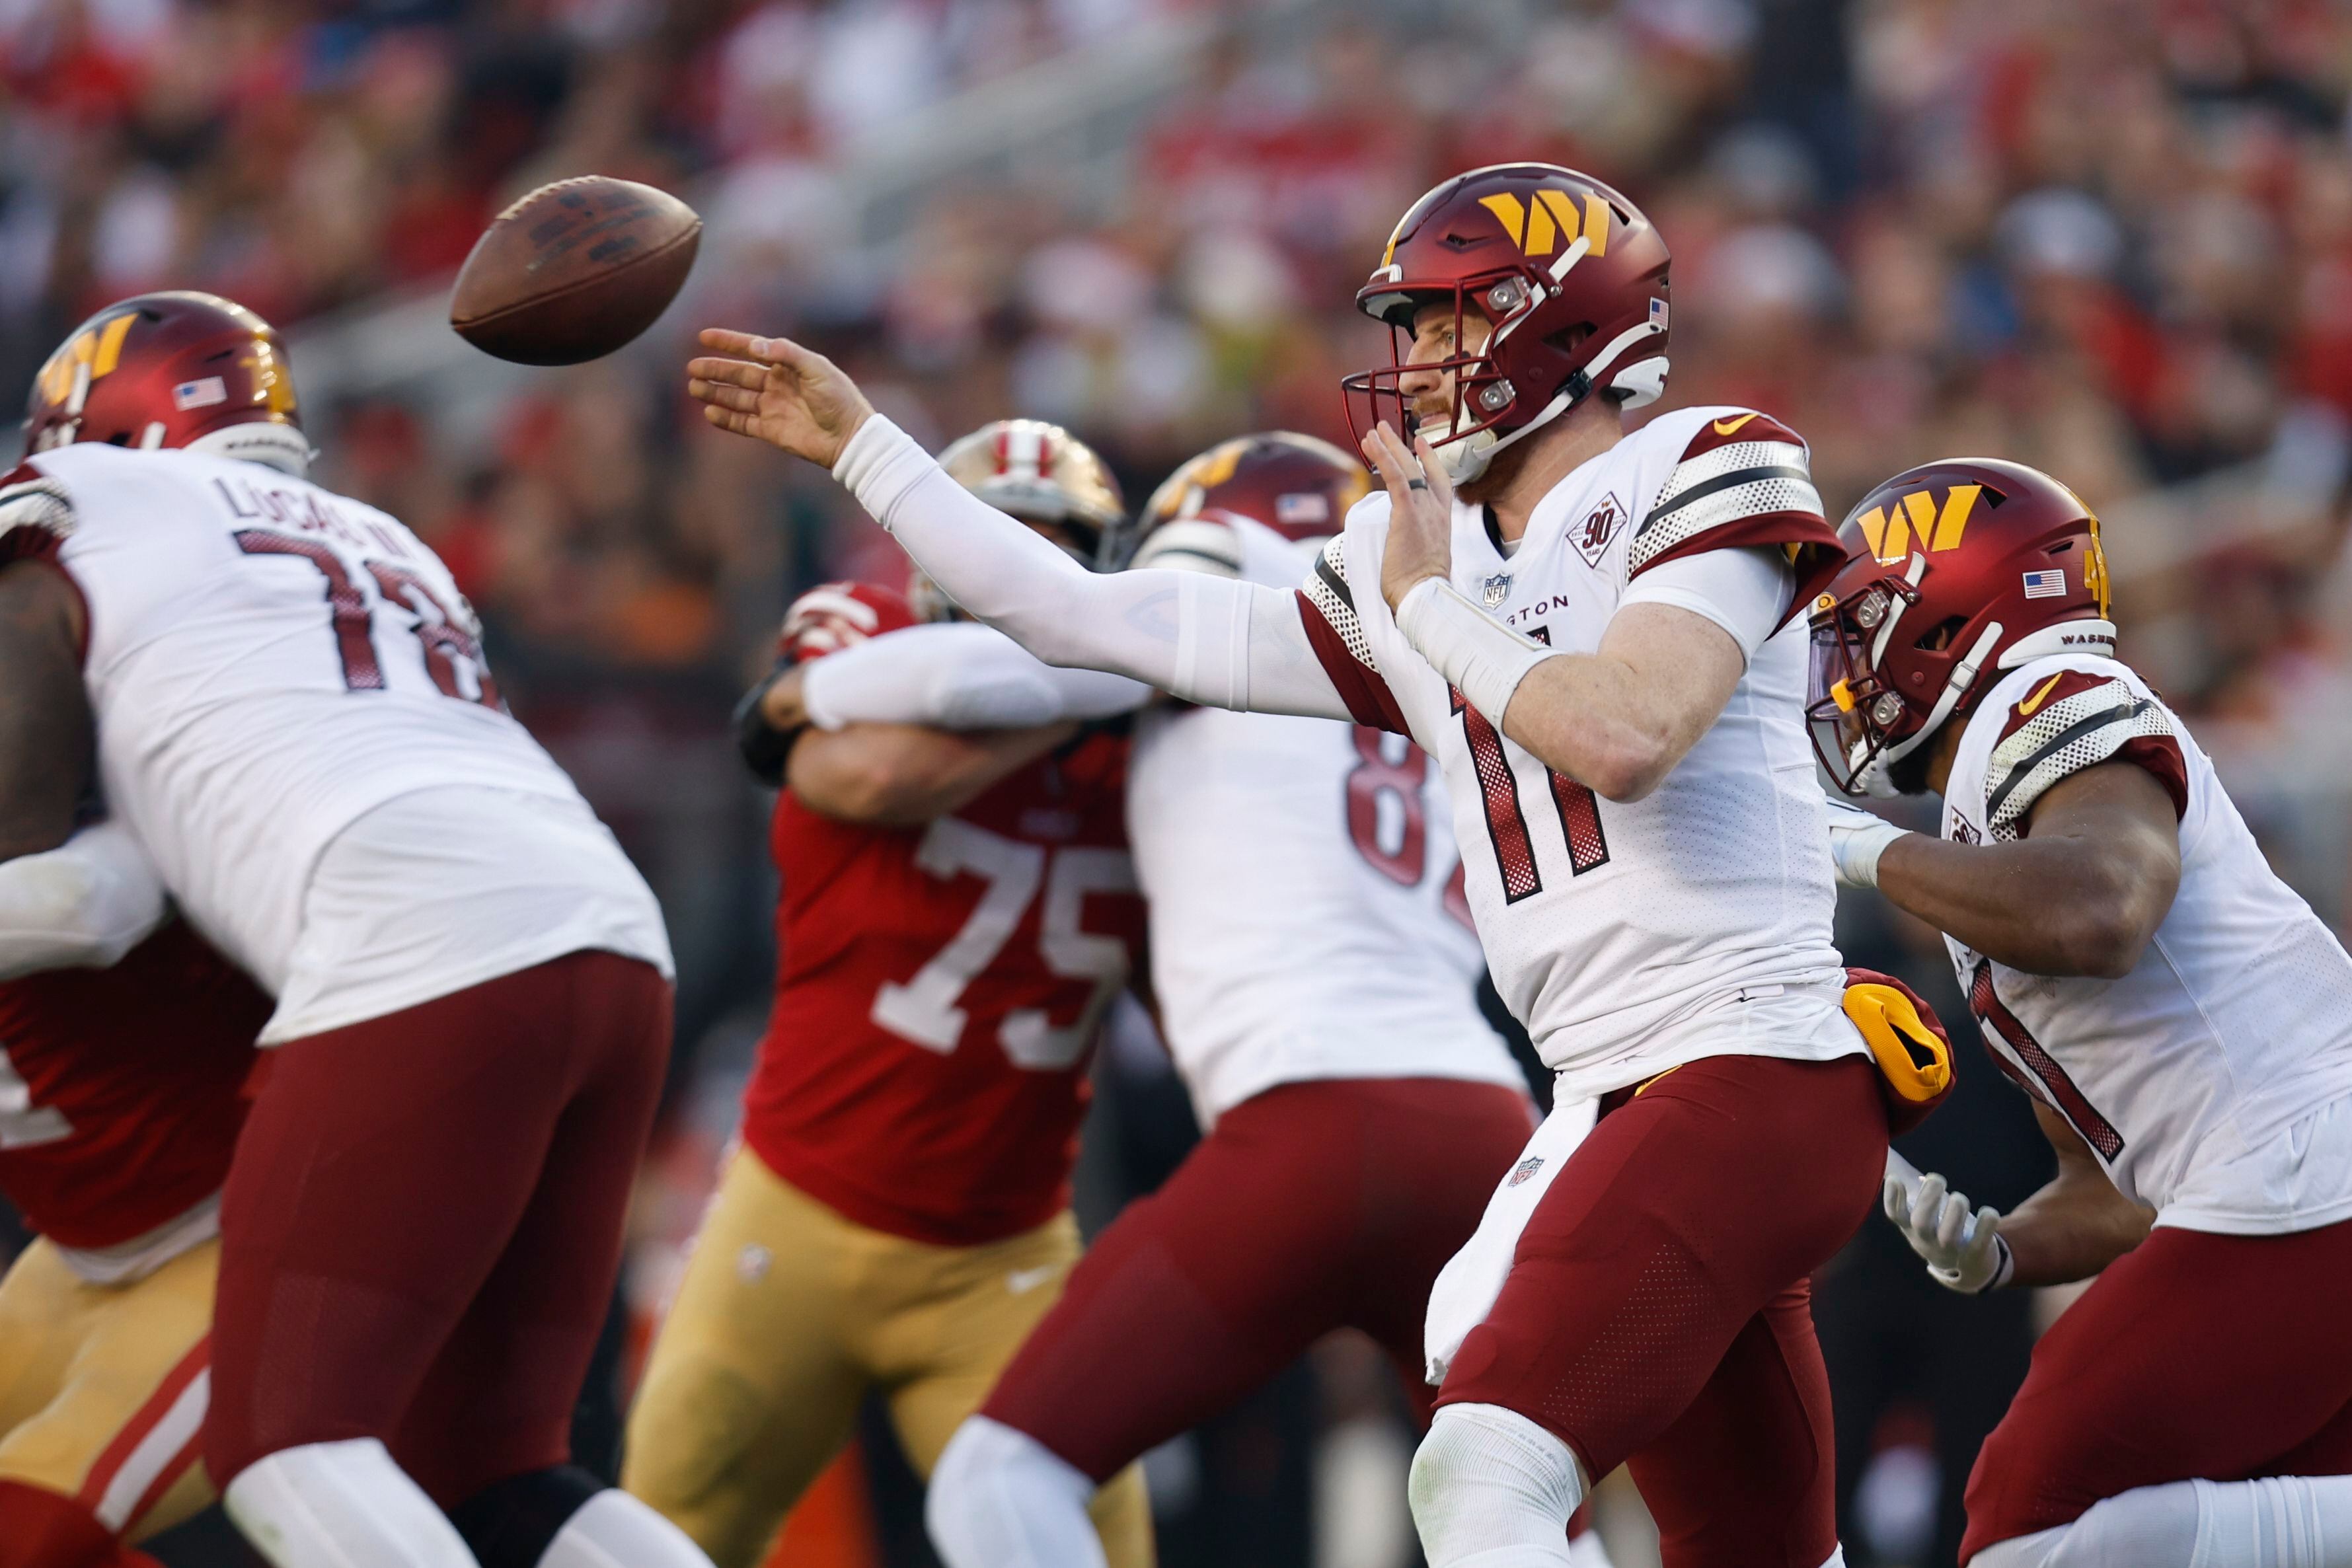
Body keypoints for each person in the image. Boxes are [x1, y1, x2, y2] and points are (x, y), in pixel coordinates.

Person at [687, 163, 1944, 1568]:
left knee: (1478, 1472)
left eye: (1441, 324)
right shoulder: (1421, 554)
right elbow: (1093, 620)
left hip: (1744, 1057)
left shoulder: (1701, 458)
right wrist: (869, 447)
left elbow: (1626, 732)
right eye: (1402, 328)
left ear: (1562, 325)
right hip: (1602, 1093)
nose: (1408, 364)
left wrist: (1422, 605)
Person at [769, 431, 1610, 1568]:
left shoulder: (1225, 618)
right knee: (1517, 1517)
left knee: (994, 1476)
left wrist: (806, 688)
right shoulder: (1416, 643)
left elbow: (1013, 661)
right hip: (1484, 1132)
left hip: (1300, 1128)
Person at [0, 291, 697, 1568]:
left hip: (409, 928)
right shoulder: (387, 537)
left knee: (288, 1445)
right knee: (500, 1471)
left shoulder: (79, 495)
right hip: (606, 924)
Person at [623, 422, 1152, 1568]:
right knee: (659, 1537)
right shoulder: (869, 636)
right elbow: (866, 773)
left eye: (1053, 553)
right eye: (997, 546)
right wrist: (1088, 678)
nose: (1022, 578)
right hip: (794, 1214)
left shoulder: (1151, 739)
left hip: (1002, 1254)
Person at [1813, 457, 2352, 1568]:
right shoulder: (1992, 812)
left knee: (2024, 1514)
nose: (1844, 667)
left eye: (1864, 620)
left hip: (2299, 1172)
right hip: (2282, 1177)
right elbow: (2114, 1192)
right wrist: (1999, 1252)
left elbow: (2104, 908)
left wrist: (1863, 845)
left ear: (1953, 605)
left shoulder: (2050, 695)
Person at [0, 823, 267, 1567]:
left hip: (237, 1247)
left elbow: (79, 907)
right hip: (70, 1262)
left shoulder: (127, 809)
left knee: (28, 1537)